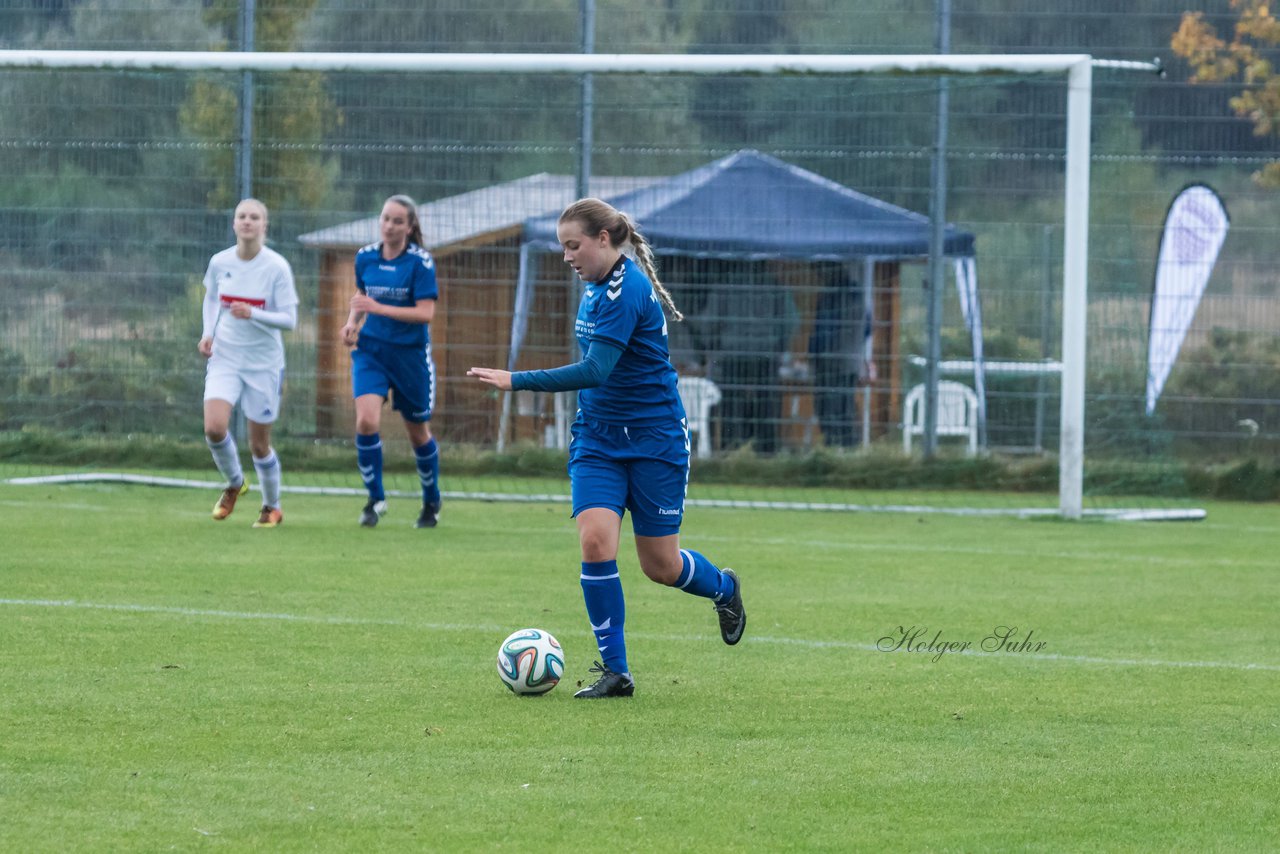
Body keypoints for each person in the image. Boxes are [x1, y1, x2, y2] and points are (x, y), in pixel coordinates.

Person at [468, 198, 745, 699]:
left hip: (655, 439)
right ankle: (616, 671)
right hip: (597, 438)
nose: (567, 257)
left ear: (604, 238)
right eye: (562, 247)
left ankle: (725, 588)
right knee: (595, 542)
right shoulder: (594, 287)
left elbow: (596, 371)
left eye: (574, 246)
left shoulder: (627, 289)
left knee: (661, 566)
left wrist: (517, 380)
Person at [339, 194, 443, 529]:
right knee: (366, 421)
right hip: (371, 352)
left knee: (418, 434)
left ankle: (431, 502)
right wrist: (352, 323)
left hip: (410, 356)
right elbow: (361, 298)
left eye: (398, 221)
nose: (390, 226)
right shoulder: (365, 257)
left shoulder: (420, 262)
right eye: (386, 218)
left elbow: (426, 313)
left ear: (410, 226)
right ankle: (375, 499)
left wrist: (377, 309)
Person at [199, 198, 299, 528]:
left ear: (264, 226)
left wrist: (253, 312)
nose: (247, 222)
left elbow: (290, 320)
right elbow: (212, 298)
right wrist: (207, 333)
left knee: (259, 444)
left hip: (264, 363)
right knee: (214, 428)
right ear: (233, 223)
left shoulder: (276, 267)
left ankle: (272, 507)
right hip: (226, 356)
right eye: (241, 216)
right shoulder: (220, 262)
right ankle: (234, 483)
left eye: (254, 217)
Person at [699, 260, 797, 454]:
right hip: (766, 354)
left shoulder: (726, 285)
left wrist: (715, 344)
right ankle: (767, 451)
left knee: (733, 406)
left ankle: (733, 449)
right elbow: (791, 320)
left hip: (732, 354)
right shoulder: (775, 286)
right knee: (766, 405)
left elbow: (709, 322)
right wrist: (779, 345)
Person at [808, 262, 871, 449]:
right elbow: (868, 328)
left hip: (830, 360)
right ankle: (849, 446)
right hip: (851, 359)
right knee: (846, 405)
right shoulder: (858, 296)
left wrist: (813, 355)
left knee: (827, 407)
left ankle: (833, 445)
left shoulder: (830, 296)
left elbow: (822, 331)